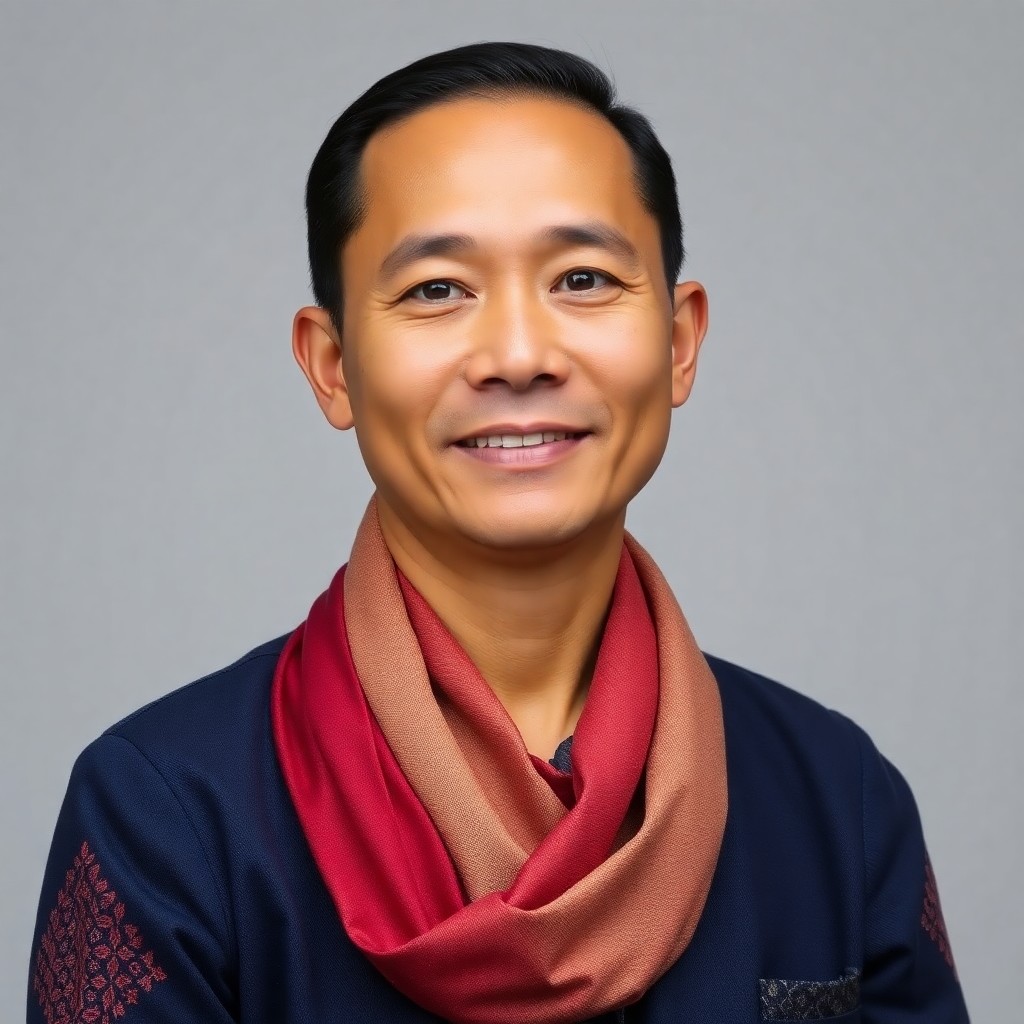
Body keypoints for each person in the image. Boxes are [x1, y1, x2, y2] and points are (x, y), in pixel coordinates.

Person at [27, 42, 969, 1024]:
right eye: (437, 289)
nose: (519, 355)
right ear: (332, 365)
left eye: (583, 278)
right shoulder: (165, 813)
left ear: (678, 342)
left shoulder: (837, 799)